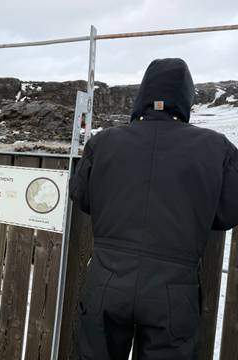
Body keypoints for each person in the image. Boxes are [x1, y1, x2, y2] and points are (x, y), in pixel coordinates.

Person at [70, 58, 238, 360]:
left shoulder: (104, 142)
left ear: (142, 95)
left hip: (106, 279)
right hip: (173, 290)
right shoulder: (216, 148)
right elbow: (228, 213)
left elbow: (82, 197)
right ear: (186, 98)